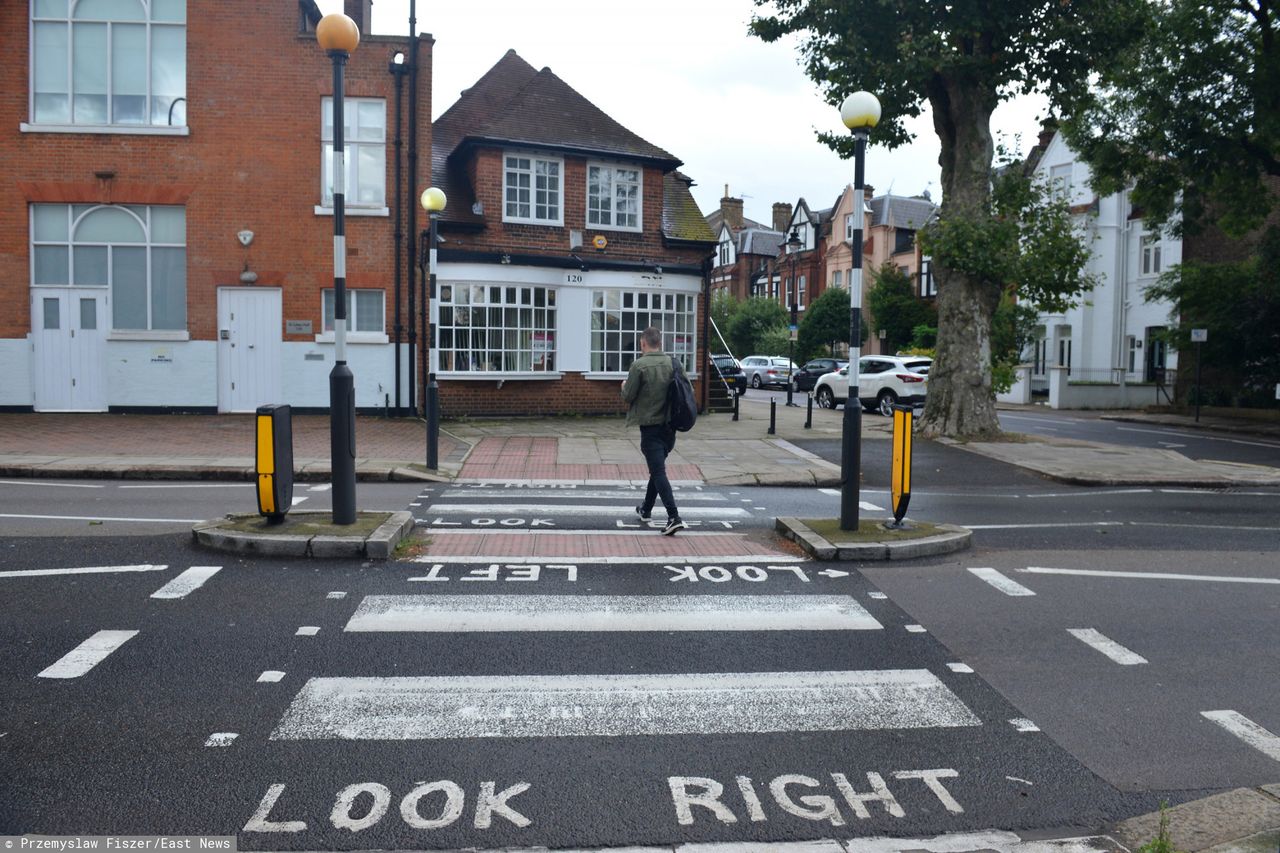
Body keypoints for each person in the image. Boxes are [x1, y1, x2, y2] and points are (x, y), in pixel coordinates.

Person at [621, 326, 686, 535]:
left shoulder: (639, 366)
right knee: (656, 469)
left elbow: (628, 396)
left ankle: (673, 516)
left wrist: (623, 386)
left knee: (658, 471)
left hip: (650, 428)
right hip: (670, 429)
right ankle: (646, 509)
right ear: (660, 342)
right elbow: (687, 392)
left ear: (643, 343)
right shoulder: (673, 364)